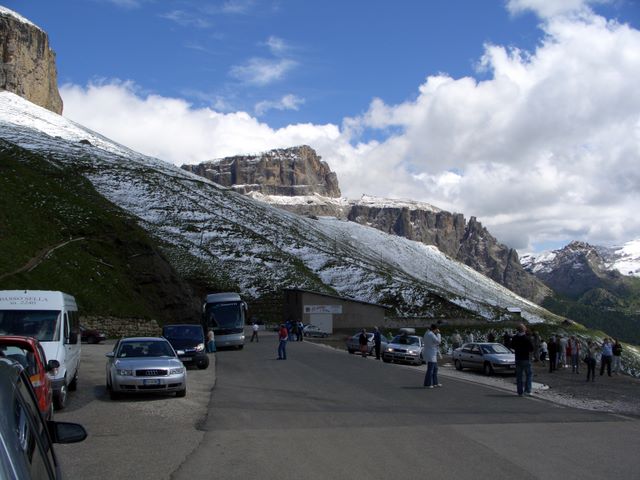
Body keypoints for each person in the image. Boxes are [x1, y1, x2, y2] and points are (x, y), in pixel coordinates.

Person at [511, 324, 533, 396]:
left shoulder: (515, 337)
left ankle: (520, 391)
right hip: (525, 358)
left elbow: (512, 346)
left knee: (519, 376)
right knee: (529, 374)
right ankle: (527, 390)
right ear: (524, 329)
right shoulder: (527, 338)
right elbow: (531, 348)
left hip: (517, 358)